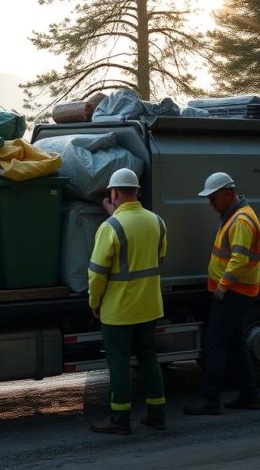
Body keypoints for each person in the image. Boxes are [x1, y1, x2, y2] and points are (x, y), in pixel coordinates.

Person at [88, 168, 168, 435]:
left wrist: (94, 301)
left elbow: (97, 272)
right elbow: (160, 257)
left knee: (120, 363)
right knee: (149, 359)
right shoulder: (157, 221)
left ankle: (120, 418)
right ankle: (157, 414)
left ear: (114, 193)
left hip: (119, 310)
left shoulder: (110, 227)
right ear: (138, 193)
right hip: (150, 306)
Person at [183, 171, 260, 416]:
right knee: (235, 343)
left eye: (214, 198)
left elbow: (239, 259)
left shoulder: (240, 220)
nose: (211, 203)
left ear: (228, 194)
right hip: (237, 292)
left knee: (215, 344)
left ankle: (210, 400)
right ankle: (249, 395)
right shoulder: (235, 216)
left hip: (233, 293)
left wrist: (222, 287)